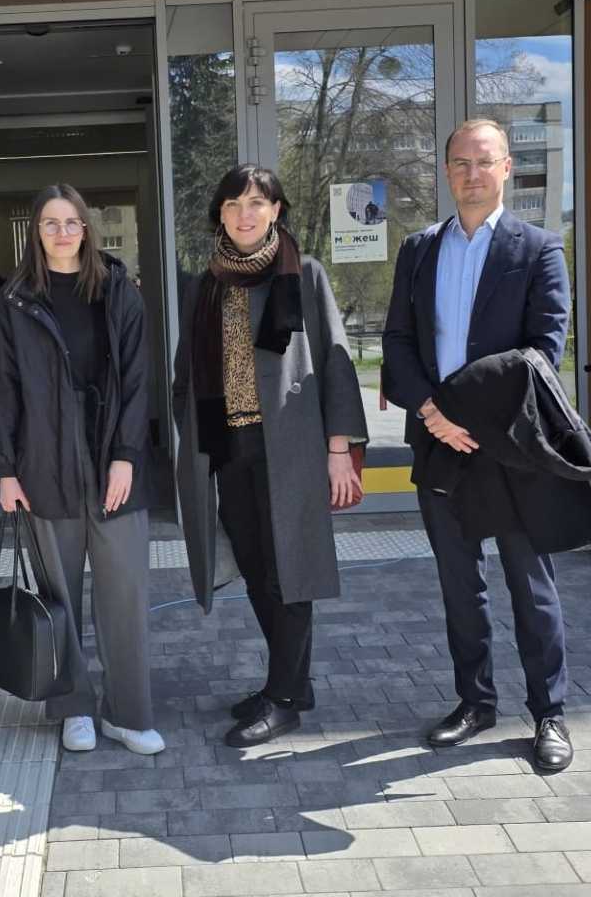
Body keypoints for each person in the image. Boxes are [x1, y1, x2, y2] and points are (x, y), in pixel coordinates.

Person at [382, 118, 575, 772]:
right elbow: (398, 344)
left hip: (514, 447)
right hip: (442, 445)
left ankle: (549, 712)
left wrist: (472, 415)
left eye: (483, 161)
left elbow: (542, 353)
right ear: (445, 171)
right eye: (460, 162)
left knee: (532, 585)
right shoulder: (418, 249)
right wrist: (433, 411)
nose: (472, 173)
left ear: (507, 168)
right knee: (460, 586)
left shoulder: (540, 249)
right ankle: (475, 702)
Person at [173, 164, 367, 748]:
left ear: (276, 210)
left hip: (292, 449)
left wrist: (340, 449)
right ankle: (291, 683)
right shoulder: (206, 283)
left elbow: (335, 359)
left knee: (291, 572)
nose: (245, 214)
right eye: (233, 204)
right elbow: (187, 368)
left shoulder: (302, 273)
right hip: (228, 446)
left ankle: (283, 699)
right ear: (220, 216)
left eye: (257, 203)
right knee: (257, 569)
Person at [0, 184, 164, 756]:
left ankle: (129, 713)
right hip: (44, 465)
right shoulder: (13, 301)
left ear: (86, 228)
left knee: (125, 594)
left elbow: (139, 382)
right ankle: (74, 708)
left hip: (113, 461)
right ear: (34, 232)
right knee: (58, 595)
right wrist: (6, 471)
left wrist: (127, 457)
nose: (62, 232)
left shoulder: (118, 292)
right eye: (49, 223)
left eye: (71, 222)